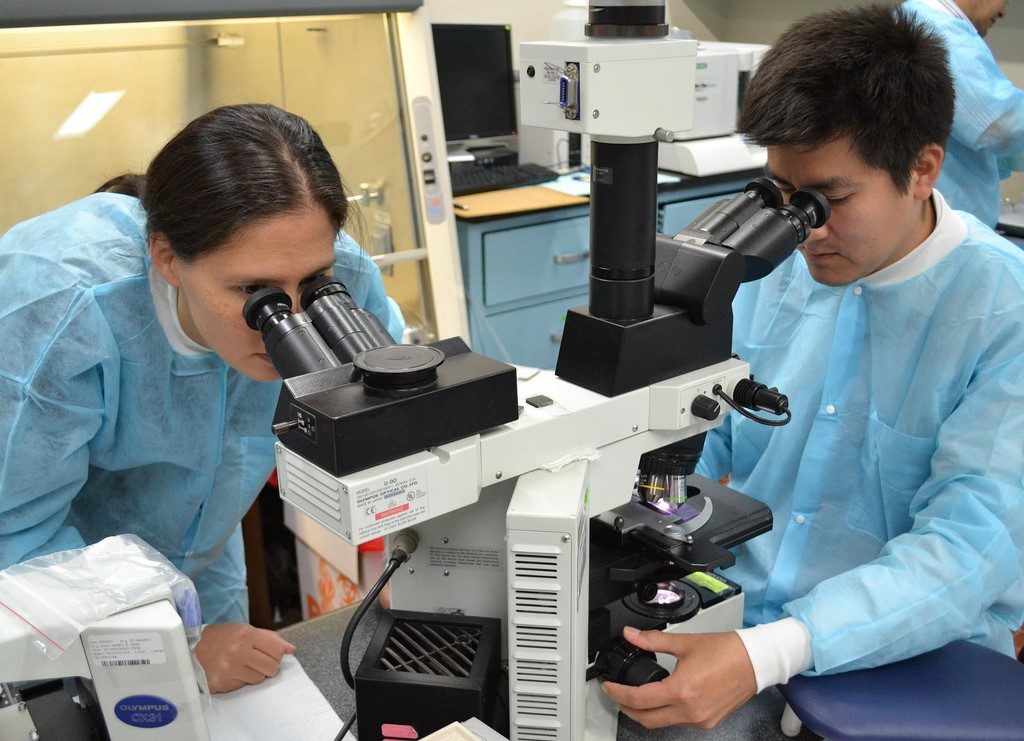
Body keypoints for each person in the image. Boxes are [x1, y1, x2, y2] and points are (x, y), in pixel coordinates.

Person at [602, 4, 1024, 729]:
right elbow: (701, 445)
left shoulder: (1003, 311)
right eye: (784, 195)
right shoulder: (778, 269)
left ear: (922, 168)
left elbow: (965, 551)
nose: (803, 230)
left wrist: (769, 652)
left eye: (829, 199)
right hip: (730, 616)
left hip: (904, 658)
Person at [0, 104, 404, 693]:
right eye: (252, 292)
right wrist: (167, 643)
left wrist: (417, 548)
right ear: (168, 259)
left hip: (207, 556)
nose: (290, 320)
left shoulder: (340, 274)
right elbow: (18, 536)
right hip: (61, 590)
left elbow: (396, 423)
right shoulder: (62, 307)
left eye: (311, 283)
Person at [904, 0, 1024, 226]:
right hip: (944, 222)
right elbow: (1002, 127)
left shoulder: (916, 18)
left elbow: (962, 143)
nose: (1003, 11)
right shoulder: (938, 31)